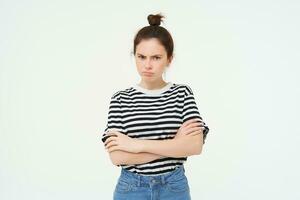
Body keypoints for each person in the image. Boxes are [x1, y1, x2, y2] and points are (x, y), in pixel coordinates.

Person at [101, 13, 210, 200]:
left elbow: (194, 145)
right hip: (131, 188)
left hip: (174, 186)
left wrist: (136, 145)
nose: (147, 65)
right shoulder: (120, 99)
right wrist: (175, 145)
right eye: (141, 57)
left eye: (156, 57)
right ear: (134, 56)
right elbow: (117, 157)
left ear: (169, 59)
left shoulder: (182, 93)